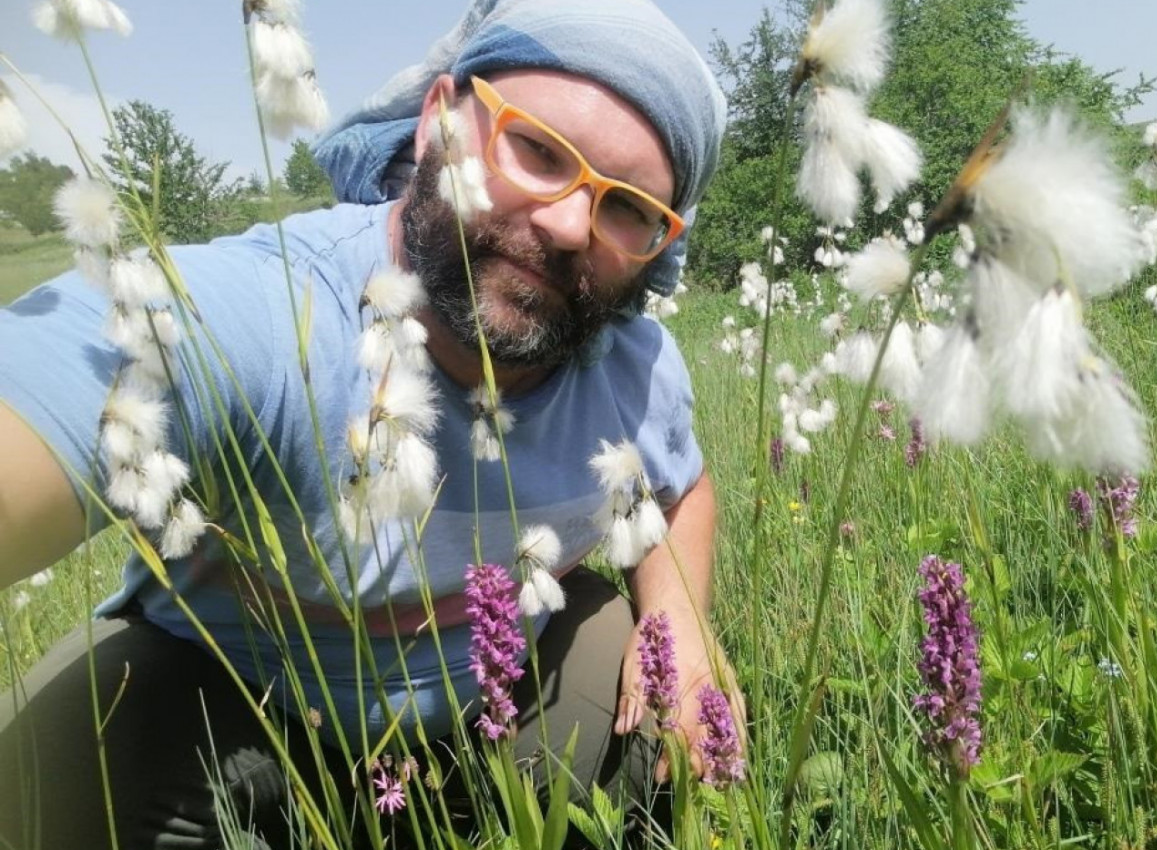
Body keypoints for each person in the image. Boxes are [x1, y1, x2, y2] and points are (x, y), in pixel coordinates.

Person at [0, 0, 740, 846]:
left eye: (625, 208)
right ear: (435, 122)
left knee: (644, 698)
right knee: (35, 787)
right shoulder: (258, 314)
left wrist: (680, 621)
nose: (569, 225)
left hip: (493, 703)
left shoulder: (633, 365)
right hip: (234, 702)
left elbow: (679, 485)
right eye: (536, 150)